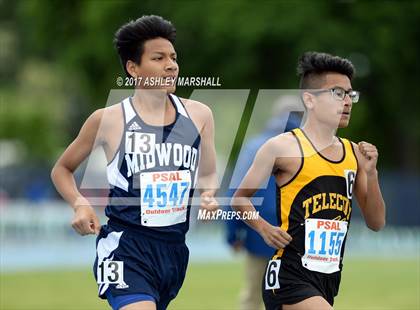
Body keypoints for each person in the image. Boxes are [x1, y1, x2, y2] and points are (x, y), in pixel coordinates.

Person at [51, 15, 218, 310]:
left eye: (173, 57)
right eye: (159, 58)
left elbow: (208, 174)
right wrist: (79, 202)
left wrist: (208, 196)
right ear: (133, 68)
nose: (172, 65)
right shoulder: (108, 120)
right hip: (126, 247)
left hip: (174, 251)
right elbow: (62, 169)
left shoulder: (200, 115)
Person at [231, 51, 386, 310]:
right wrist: (263, 228)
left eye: (351, 94)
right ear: (309, 100)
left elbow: (377, 222)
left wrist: (372, 174)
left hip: (328, 279)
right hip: (288, 276)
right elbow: (239, 198)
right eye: (338, 93)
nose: (347, 101)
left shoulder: (355, 154)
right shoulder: (280, 147)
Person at [225, 96, 302, 310]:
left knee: (253, 295)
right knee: (299, 295)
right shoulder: (311, 147)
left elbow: (236, 194)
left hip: (259, 234)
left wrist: (233, 235)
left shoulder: (255, 146)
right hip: (299, 237)